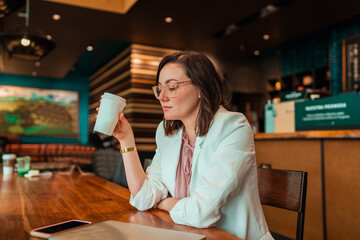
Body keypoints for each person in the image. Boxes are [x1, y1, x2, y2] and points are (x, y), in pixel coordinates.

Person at [110, 51, 273, 240]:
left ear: (200, 89)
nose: (161, 97)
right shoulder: (167, 133)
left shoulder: (233, 128)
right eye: (160, 88)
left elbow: (201, 214)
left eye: (171, 87)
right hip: (187, 234)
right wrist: (126, 139)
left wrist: (165, 202)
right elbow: (143, 199)